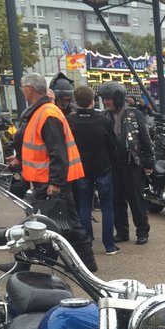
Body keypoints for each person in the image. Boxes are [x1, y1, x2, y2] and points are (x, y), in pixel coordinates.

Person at [10, 72, 97, 272]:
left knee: (43, 223)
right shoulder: (43, 112)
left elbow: (58, 151)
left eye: (23, 87)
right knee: (61, 223)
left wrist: (56, 183)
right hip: (48, 180)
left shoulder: (47, 114)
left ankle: (24, 265)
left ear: (30, 89)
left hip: (50, 181)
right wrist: (20, 161)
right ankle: (85, 263)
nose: (22, 90)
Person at [98, 81, 154, 245]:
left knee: (136, 200)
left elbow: (146, 139)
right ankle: (122, 231)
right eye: (104, 99)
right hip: (112, 165)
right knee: (116, 200)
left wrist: (149, 162)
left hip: (132, 164)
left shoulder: (135, 114)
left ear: (118, 98)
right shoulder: (103, 117)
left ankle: (142, 231)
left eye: (109, 98)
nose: (106, 102)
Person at [69, 85, 118, 255]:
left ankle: (87, 241)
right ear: (92, 101)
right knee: (107, 207)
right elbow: (113, 145)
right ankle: (109, 245)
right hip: (103, 168)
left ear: (76, 101)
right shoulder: (102, 120)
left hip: (81, 169)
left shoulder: (71, 121)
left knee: (84, 205)